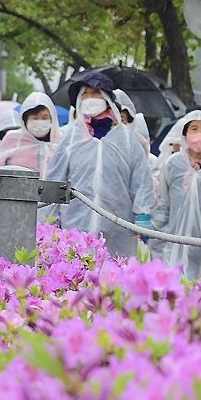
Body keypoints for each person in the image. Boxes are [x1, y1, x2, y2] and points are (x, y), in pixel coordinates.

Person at [46, 71, 154, 259]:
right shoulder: (71, 137)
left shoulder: (127, 139)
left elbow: (141, 181)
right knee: (75, 280)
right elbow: (55, 180)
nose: (89, 98)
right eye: (85, 94)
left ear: (107, 98)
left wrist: (143, 215)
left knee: (113, 283)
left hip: (117, 230)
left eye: (95, 93)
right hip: (75, 226)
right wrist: (49, 220)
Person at [154, 111, 201, 279]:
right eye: (194, 129)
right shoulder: (173, 164)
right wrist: (155, 235)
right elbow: (163, 206)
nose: (199, 135)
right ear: (185, 133)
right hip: (176, 245)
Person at [0, 93, 62, 216]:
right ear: (25, 119)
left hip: (49, 209)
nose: (39, 122)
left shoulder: (61, 142)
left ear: (52, 118)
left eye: (44, 118)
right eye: (34, 117)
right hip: (12, 206)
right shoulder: (13, 138)